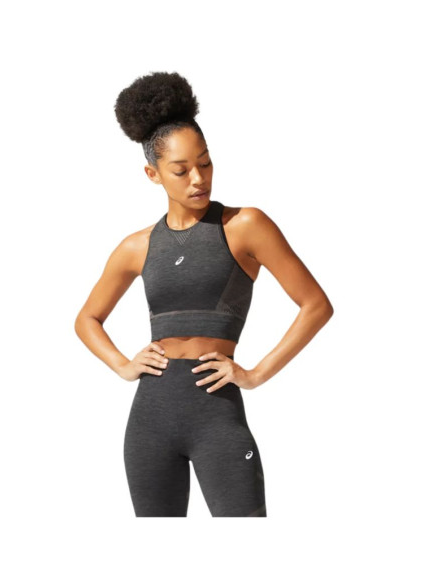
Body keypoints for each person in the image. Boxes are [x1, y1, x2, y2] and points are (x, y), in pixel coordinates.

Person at [74, 71, 334, 517]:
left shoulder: (244, 226)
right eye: (181, 170)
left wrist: (256, 374)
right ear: (153, 174)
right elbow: (86, 319)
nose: (198, 178)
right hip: (149, 421)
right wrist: (122, 364)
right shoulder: (137, 246)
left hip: (217, 417)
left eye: (206, 163)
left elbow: (316, 305)